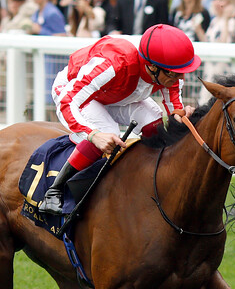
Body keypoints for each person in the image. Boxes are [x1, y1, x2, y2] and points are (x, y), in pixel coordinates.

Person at [36, 24, 201, 214]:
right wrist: (93, 135)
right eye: (174, 73)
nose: (180, 77)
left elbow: (174, 108)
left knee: (154, 123)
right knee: (109, 134)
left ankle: (149, 180)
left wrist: (181, 116)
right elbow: (67, 102)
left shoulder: (167, 70)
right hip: (75, 93)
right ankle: (54, 191)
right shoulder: (114, 64)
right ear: (152, 67)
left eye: (183, 72)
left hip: (118, 93)